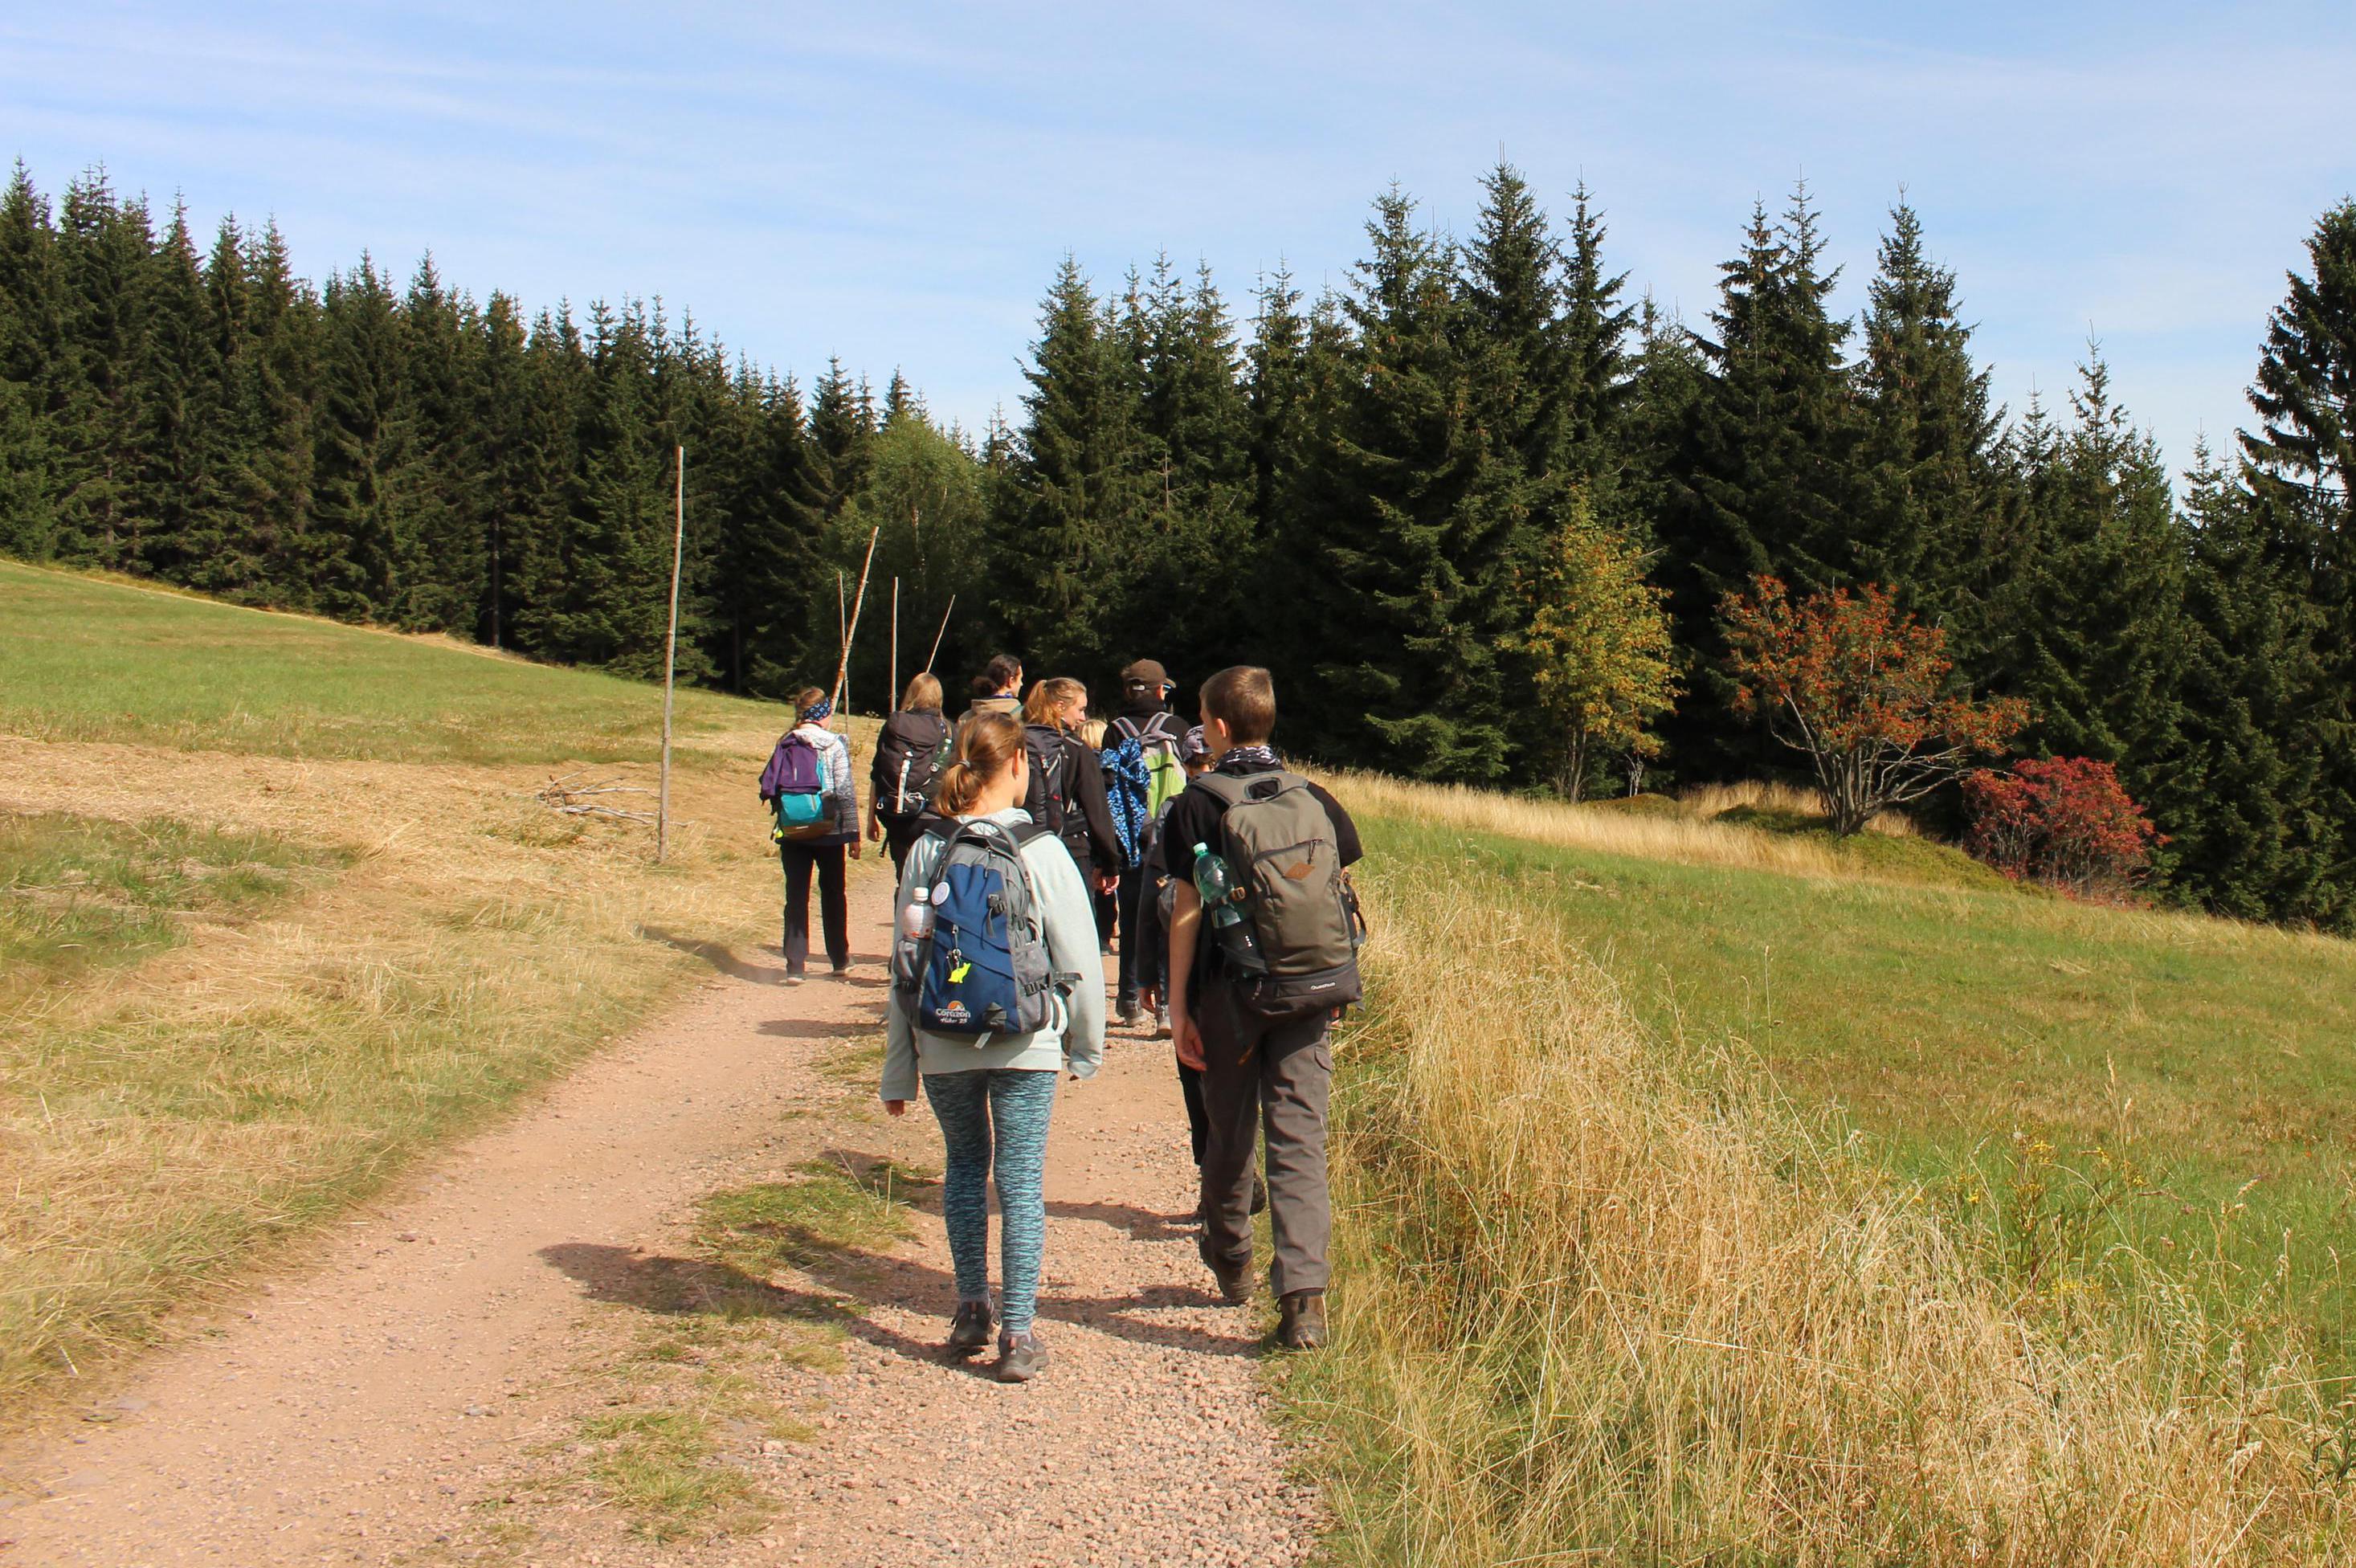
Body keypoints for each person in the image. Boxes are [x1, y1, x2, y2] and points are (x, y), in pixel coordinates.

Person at [880, 711, 1105, 1383]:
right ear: (1015, 766)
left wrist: (900, 1067)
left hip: (941, 1037)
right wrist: (1084, 1046)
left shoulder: (928, 847)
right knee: (1020, 1181)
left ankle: (970, 1307)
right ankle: (1018, 1332)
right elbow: (1081, 959)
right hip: (1025, 1039)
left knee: (963, 1168)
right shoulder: (1040, 849)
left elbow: (904, 964)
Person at [1166, 666, 1362, 1351]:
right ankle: (1303, 1304)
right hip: (1310, 987)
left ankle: (1231, 1258)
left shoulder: (1196, 805)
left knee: (1230, 1130)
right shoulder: (1316, 797)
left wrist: (1178, 1008)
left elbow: (1186, 913)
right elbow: (1336, 891)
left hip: (1231, 992)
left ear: (1217, 727)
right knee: (1299, 1138)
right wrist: (1331, 976)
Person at [1105, 659, 1185, 1026]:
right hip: (1169, 838)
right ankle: (1167, 1006)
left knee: (1134, 918)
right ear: (1160, 690)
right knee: (1169, 919)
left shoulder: (1115, 731)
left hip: (1129, 838)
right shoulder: (1177, 727)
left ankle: (1128, 1000)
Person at [767, 687, 861, 984]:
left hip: (792, 830)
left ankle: (795, 965)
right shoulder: (834, 744)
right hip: (828, 829)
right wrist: (853, 833)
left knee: (796, 895)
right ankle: (839, 959)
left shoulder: (786, 741)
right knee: (833, 893)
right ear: (823, 715)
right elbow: (845, 792)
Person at [1021, 678, 1123, 931]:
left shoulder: (1016, 743)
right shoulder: (1077, 749)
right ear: (1058, 707)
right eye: (1079, 709)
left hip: (1020, 846)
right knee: (1072, 932)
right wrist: (1109, 863)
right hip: (1071, 849)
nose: (1083, 717)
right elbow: (1097, 810)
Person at [867, 672, 952, 879]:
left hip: (897, 815)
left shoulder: (893, 725)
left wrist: (871, 819)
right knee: (932, 880)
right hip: (934, 816)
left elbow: (877, 773)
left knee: (904, 879)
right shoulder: (948, 730)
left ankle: (902, 908)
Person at [1076, 715, 1118, 941]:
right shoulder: (1110, 766)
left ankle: (1095, 932)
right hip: (1106, 831)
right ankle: (1106, 931)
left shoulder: (1078, 762)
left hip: (1083, 833)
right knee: (1106, 887)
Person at [957, 653, 1024, 734]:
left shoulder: (965, 718)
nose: (1021, 684)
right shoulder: (1023, 717)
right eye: (1020, 679)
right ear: (1011, 681)